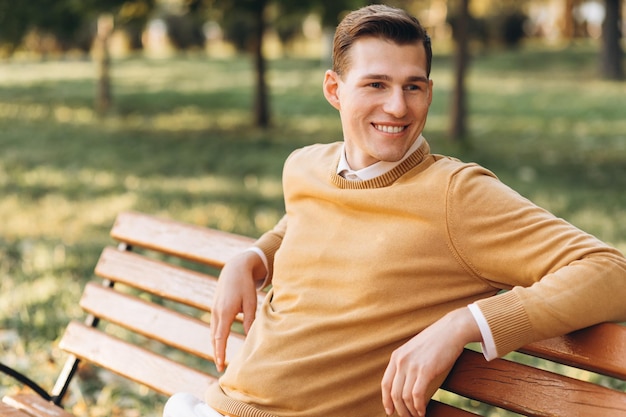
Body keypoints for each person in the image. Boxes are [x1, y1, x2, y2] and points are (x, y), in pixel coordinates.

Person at [163, 4, 626, 417]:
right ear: (334, 89)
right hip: (210, 404)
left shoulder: (455, 196)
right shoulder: (305, 166)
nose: (397, 106)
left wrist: (464, 322)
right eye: (376, 84)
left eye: (413, 87)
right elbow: (313, 221)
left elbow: (610, 271)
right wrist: (256, 257)